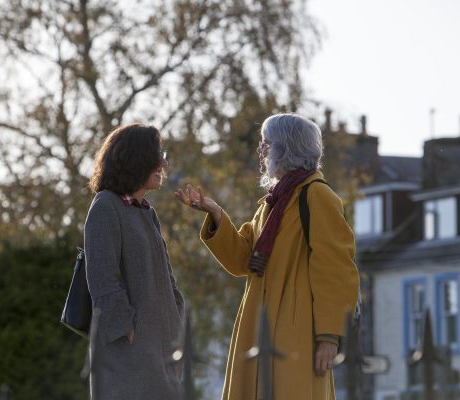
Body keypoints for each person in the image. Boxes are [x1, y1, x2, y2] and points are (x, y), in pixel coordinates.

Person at [175, 113, 359, 400]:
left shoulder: (318, 196)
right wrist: (216, 215)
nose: (260, 150)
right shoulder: (272, 203)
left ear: (286, 147)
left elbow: (336, 270)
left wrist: (328, 337)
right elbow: (242, 260)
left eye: (266, 143)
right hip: (260, 323)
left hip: (295, 330)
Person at [85, 123, 185, 400]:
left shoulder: (146, 212)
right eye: (156, 154)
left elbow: (167, 278)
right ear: (135, 158)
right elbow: (102, 279)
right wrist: (127, 330)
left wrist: (177, 315)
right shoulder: (105, 206)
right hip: (130, 357)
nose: (163, 161)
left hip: (164, 350)